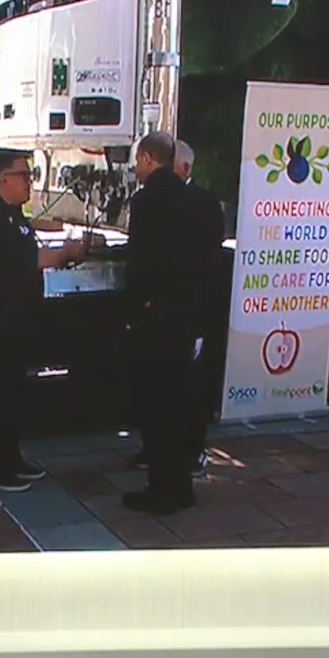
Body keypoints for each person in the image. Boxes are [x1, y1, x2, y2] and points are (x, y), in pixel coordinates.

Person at [0, 152, 85, 492]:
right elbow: (25, 261)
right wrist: (65, 252)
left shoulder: (15, 217)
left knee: (13, 394)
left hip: (18, 320)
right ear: (3, 179)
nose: (29, 181)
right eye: (23, 175)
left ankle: (11, 457)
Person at [122, 131, 217, 512]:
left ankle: (161, 488)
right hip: (191, 315)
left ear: (147, 158)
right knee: (181, 402)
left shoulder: (146, 203)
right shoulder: (205, 202)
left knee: (156, 405)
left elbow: (141, 263)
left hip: (157, 317)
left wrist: (135, 309)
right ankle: (182, 485)